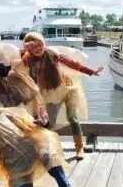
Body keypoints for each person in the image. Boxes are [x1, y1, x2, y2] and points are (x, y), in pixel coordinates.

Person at [22, 32, 103, 160]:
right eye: (34, 47)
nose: (38, 48)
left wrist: (90, 71)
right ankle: (46, 149)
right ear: (29, 48)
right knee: (49, 123)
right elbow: (15, 66)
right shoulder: (27, 59)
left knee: (72, 118)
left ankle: (79, 148)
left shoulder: (52, 54)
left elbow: (71, 63)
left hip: (68, 89)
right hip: (51, 94)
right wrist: (24, 50)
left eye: (40, 44)